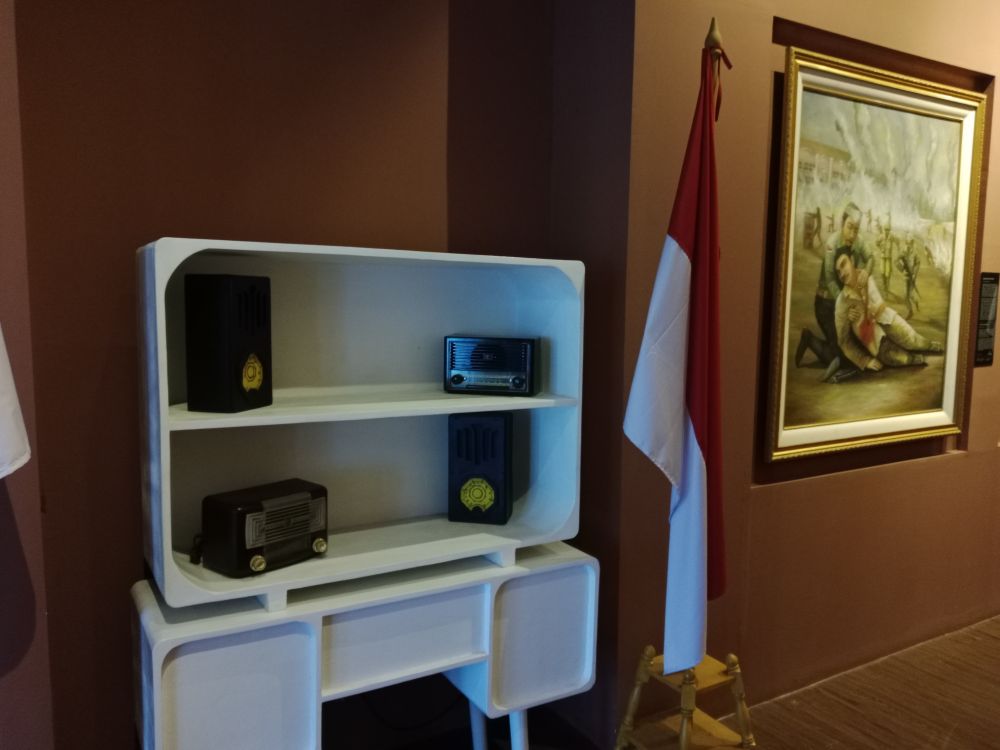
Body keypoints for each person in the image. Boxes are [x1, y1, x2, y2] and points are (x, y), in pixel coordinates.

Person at [833, 245, 942, 372]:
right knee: (904, 358)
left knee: (914, 340)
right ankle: (914, 358)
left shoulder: (865, 275)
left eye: (843, 265)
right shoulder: (842, 302)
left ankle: (930, 345)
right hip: (874, 339)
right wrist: (865, 360)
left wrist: (865, 300)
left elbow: (880, 307)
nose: (842, 273)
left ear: (851, 260)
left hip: (887, 319)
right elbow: (843, 341)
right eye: (838, 271)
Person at [796, 202, 873, 380]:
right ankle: (809, 339)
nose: (853, 234)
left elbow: (870, 257)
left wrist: (867, 270)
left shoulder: (857, 241)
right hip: (826, 304)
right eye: (850, 228)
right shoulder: (832, 244)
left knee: (858, 347)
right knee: (843, 355)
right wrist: (845, 306)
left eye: (856, 229)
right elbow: (830, 278)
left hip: (845, 302)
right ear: (842, 223)